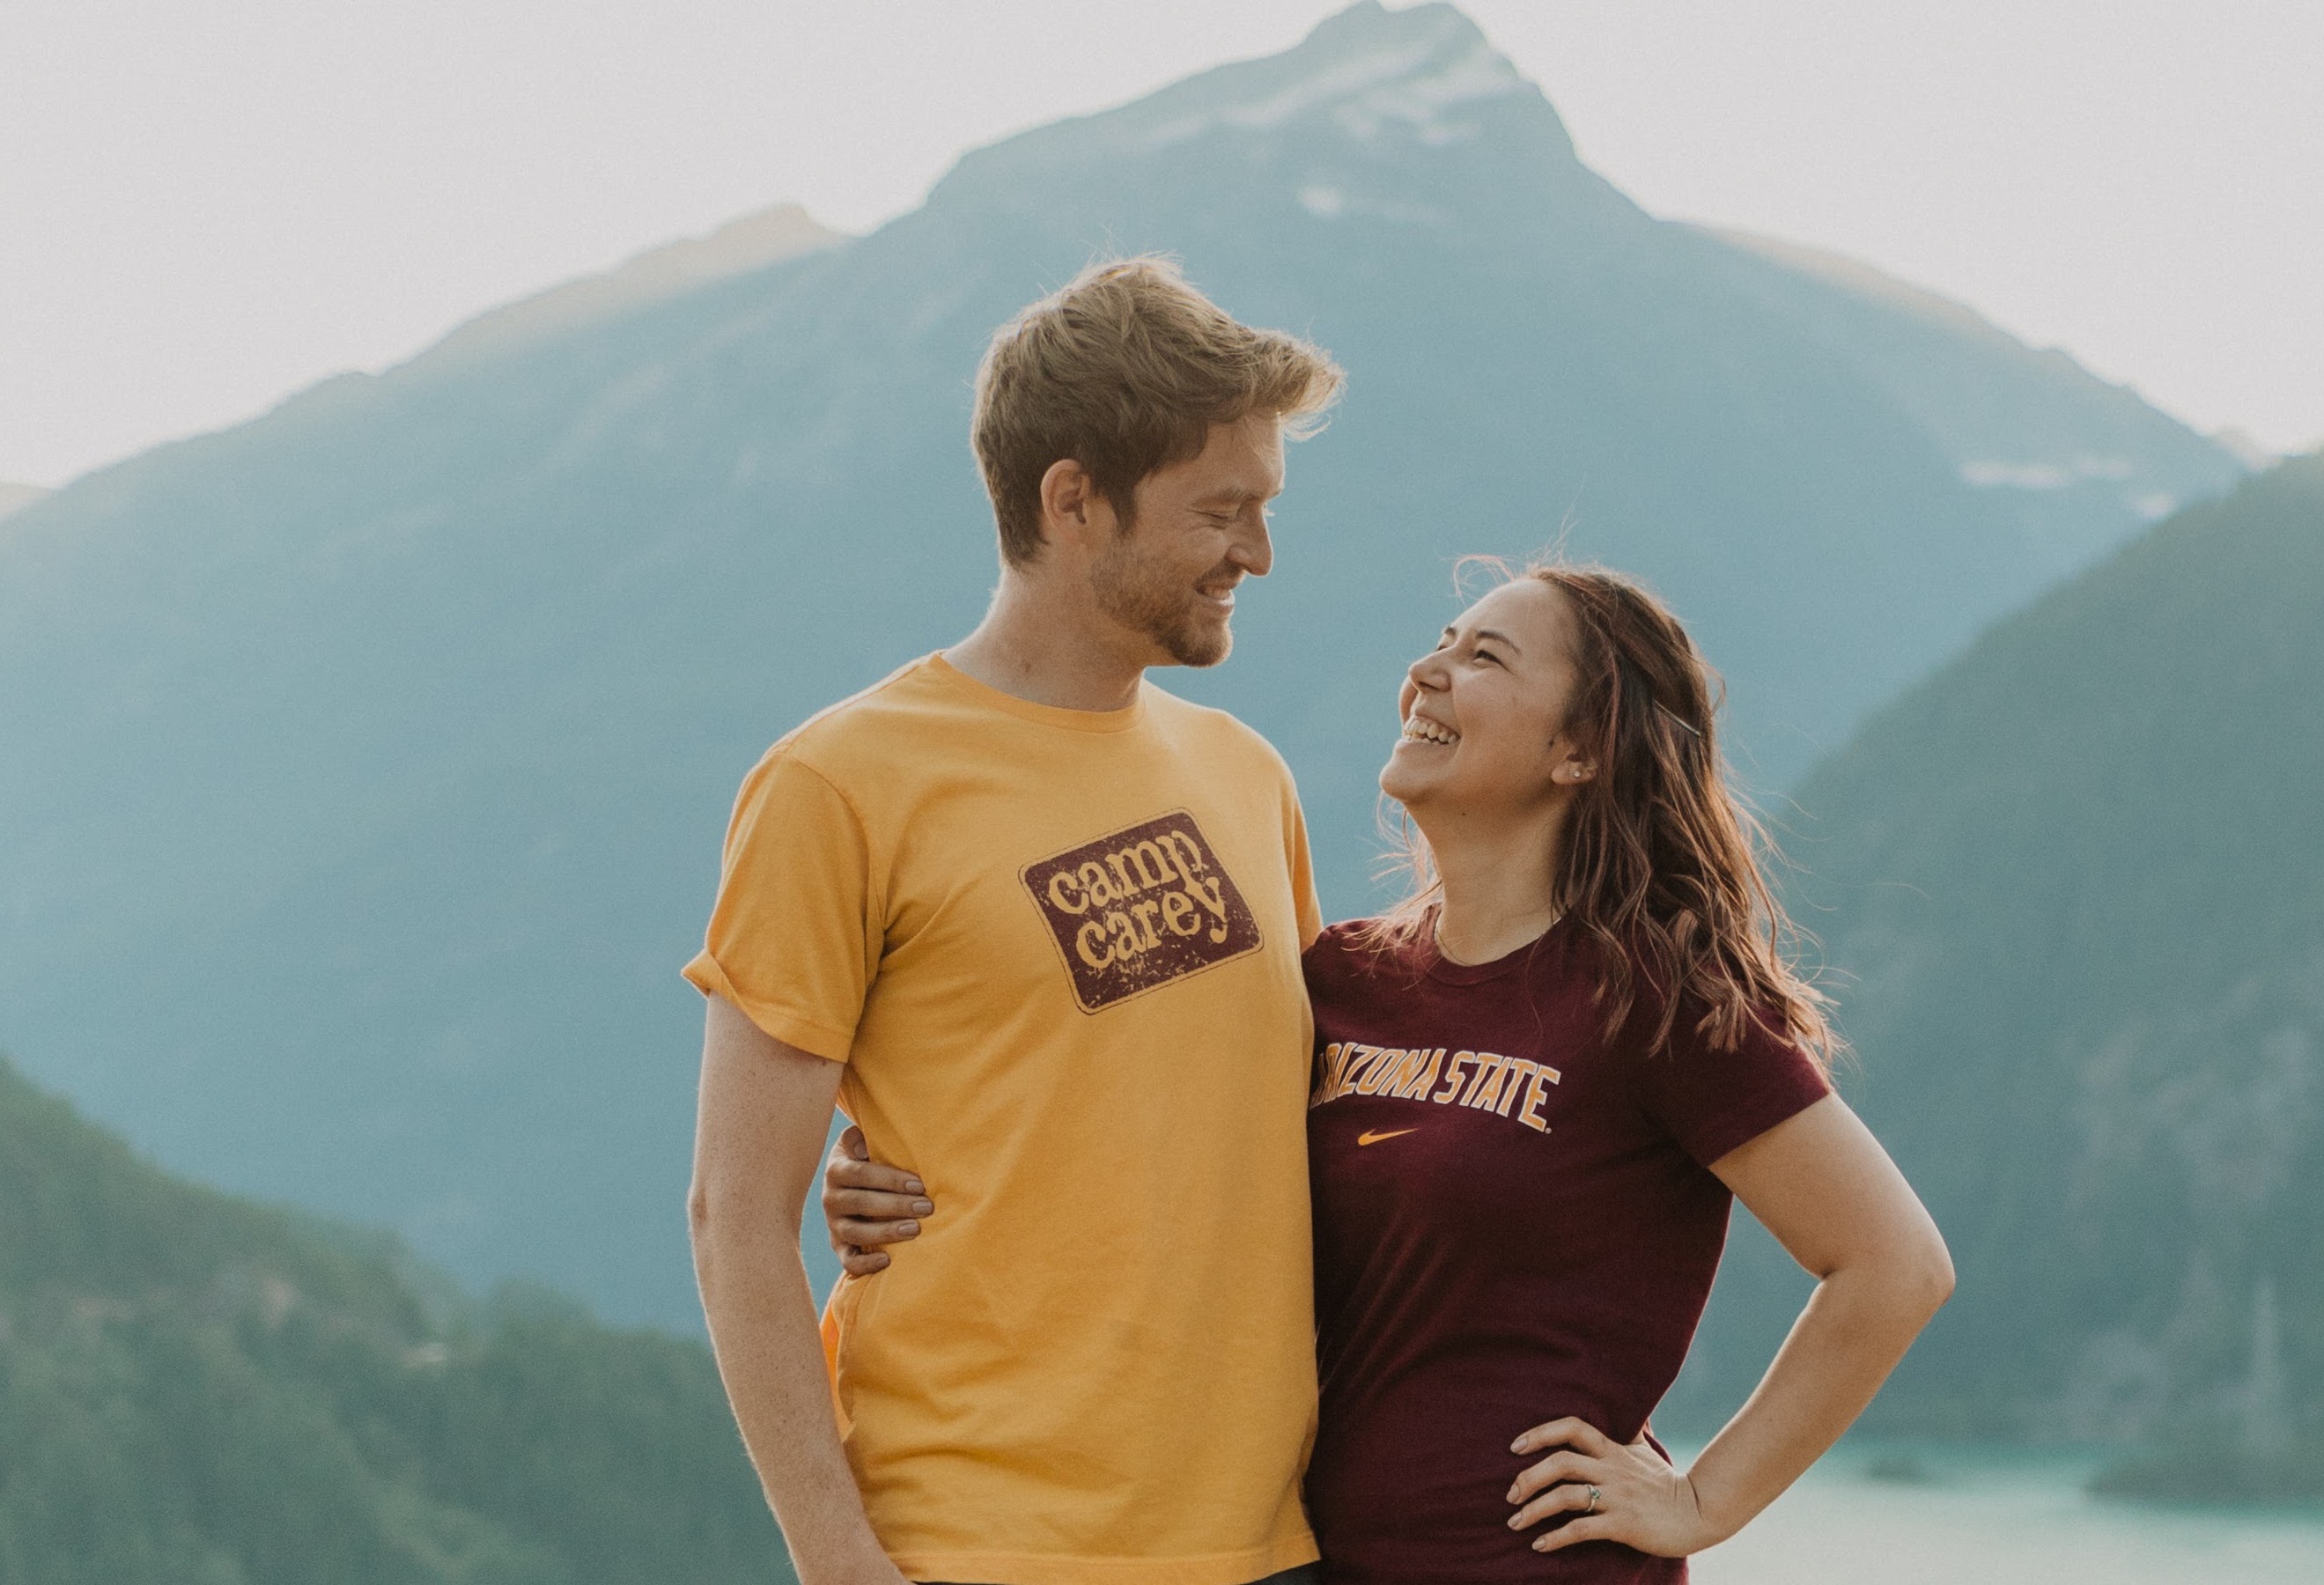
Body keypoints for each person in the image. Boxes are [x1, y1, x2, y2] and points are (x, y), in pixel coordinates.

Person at [835, 563, 1957, 1580]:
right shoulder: (1336, 978)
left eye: (1485, 658)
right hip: (1301, 1558)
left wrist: (1702, 1499)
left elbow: (1892, 1264)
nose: (1427, 669)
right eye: (1442, 639)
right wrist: (902, 1169)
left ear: (1580, 751)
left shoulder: (1650, 998)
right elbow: (1128, 1117)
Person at [683, 255, 1343, 1585]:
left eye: (1264, 509)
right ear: (1073, 501)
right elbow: (735, 1214)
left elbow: (1298, 1120)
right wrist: (839, 1561)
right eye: (1223, 510)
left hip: (1267, 1544)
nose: (1259, 555)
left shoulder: (1246, 775)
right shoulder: (840, 782)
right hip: (979, 1543)